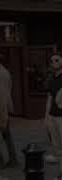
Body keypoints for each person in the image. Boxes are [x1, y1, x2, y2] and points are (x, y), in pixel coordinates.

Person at [0, 62, 18, 167]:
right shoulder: (4, 72)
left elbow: (2, 93)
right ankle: (12, 159)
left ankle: (1, 161)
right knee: (6, 135)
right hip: (2, 108)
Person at [45, 52, 62, 180]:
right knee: (57, 148)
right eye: (52, 61)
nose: (54, 63)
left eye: (56, 60)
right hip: (53, 116)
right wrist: (46, 117)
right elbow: (49, 98)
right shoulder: (52, 78)